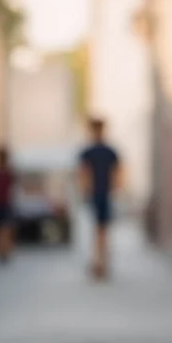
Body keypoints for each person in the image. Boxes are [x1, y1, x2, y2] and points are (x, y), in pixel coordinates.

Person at [78, 117, 121, 281]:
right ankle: (101, 263)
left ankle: (100, 263)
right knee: (101, 231)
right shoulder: (106, 151)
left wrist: (85, 191)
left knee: (99, 231)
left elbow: (84, 174)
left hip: (99, 194)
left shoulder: (95, 152)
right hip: (101, 194)